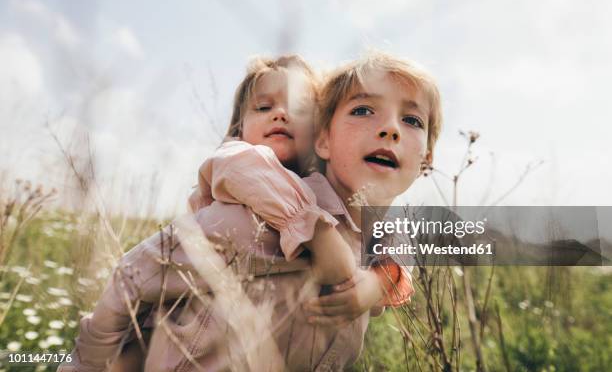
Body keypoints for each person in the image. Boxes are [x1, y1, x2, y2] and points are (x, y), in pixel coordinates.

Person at [60, 51, 440, 371]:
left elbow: (399, 247)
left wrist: (375, 286)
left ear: (427, 160)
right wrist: (87, 363)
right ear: (323, 139)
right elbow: (133, 273)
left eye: (411, 120)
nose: (390, 128)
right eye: (363, 110)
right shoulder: (248, 220)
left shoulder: (380, 240)